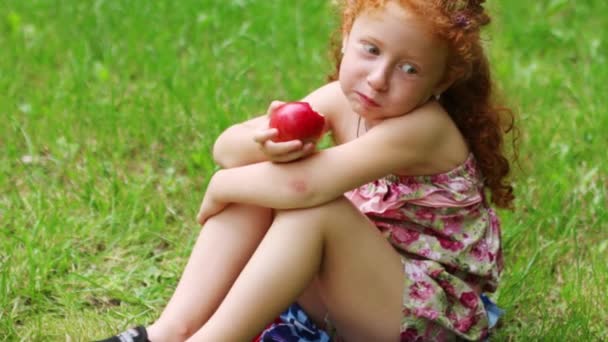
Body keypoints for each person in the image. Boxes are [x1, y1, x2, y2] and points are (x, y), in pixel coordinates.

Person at [96, 0, 516, 341]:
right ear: (348, 36)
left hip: (422, 316)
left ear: (442, 80)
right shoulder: (338, 99)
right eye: (371, 49)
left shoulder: (422, 128)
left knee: (314, 209)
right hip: (360, 290)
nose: (378, 79)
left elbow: (304, 188)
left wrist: (224, 185)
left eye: (409, 69)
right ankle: (168, 332)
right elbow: (226, 148)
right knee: (266, 185)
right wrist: (261, 145)